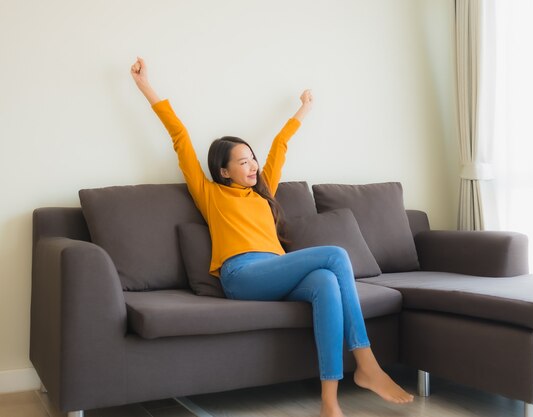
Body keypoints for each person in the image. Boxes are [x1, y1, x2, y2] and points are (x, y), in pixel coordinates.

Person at [130, 56, 414, 417]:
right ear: (223, 170)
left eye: (252, 159)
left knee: (327, 281)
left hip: (277, 271)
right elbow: (179, 136)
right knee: (336, 256)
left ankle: (330, 401)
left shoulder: (265, 192)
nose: (253, 166)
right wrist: (145, 86)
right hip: (242, 276)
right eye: (243, 161)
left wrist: (304, 108)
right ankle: (367, 363)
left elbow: (280, 145)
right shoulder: (210, 194)